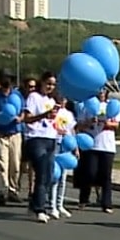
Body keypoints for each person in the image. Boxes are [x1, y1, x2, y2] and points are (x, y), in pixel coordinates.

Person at [20, 71, 59, 223]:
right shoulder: (33, 97)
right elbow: (28, 119)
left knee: (49, 175)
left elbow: (54, 120)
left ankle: (33, 205)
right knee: (42, 174)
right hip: (36, 139)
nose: (50, 87)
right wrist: (44, 115)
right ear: (41, 82)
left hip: (51, 138)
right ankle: (40, 209)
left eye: (53, 85)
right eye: (48, 83)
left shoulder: (51, 99)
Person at [75, 89, 120, 213]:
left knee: (106, 175)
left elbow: (117, 125)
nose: (101, 92)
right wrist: (89, 122)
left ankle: (106, 203)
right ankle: (84, 199)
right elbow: (79, 126)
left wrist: (107, 123)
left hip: (107, 145)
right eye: (99, 90)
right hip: (90, 145)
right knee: (90, 173)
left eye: (103, 90)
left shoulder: (112, 105)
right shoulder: (87, 105)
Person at [0, 69, 24, 206]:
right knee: (2, 165)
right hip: (0, 135)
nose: (6, 80)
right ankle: (3, 192)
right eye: (4, 78)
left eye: (8, 78)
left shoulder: (17, 95)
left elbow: (23, 111)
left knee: (15, 165)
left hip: (15, 134)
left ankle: (13, 190)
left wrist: (20, 118)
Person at [50, 94, 77, 219]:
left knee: (63, 178)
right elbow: (50, 125)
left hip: (66, 146)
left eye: (64, 99)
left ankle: (60, 205)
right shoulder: (52, 111)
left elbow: (72, 131)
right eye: (60, 98)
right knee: (54, 177)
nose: (62, 101)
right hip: (54, 144)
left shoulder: (69, 114)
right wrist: (58, 131)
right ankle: (52, 206)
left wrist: (75, 148)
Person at [19, 77, 37, 200]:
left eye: (34, 87)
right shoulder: (20, 100)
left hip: (33, 135)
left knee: (32, 165)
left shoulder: (36, 100)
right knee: (21, 164)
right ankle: (16, 186)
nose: (32, 89)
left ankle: (32, 189)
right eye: (30, 87)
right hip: (21, 133)